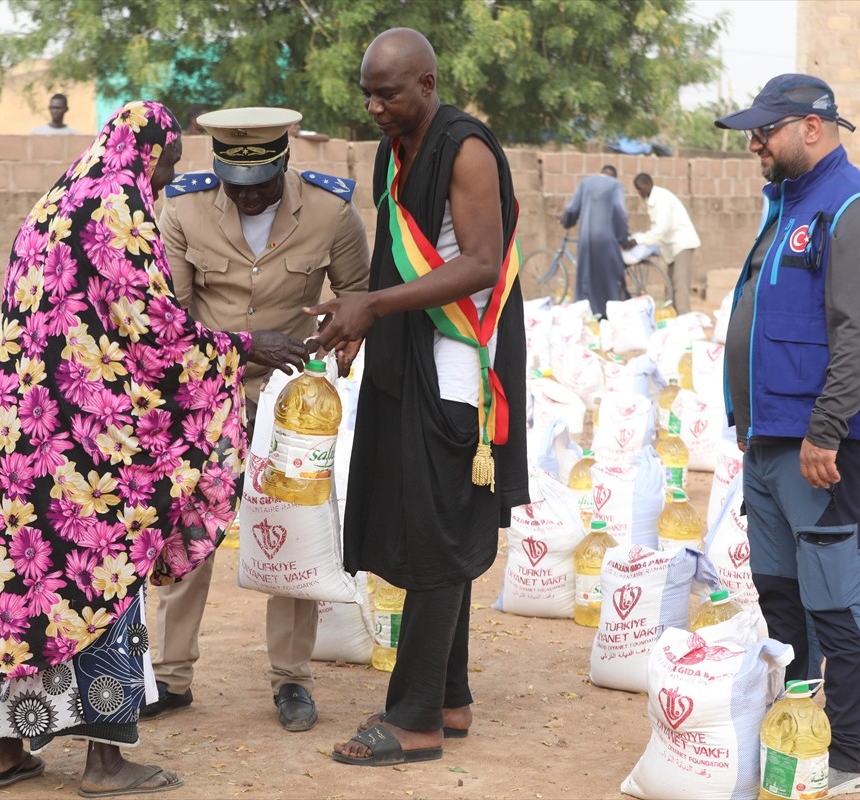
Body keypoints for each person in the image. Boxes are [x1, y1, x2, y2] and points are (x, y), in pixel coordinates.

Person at [0, 100, 309, 797]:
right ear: (147, 152)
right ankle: (104, 761)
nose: (167, 177)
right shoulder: (117, 207)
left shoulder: (52, 204)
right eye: (170, 163)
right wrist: (245, 347)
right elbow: (152, 332)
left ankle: (5, 747)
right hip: (92, 447)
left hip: (25, 442)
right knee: (102, 579)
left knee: (30, 593)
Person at [306, 28, 529, 767]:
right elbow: (400, 253)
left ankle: (414, 722)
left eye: (388, 92)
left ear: (427, 85)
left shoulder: (464, 147)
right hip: (408, 355)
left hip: (459, 361)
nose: (373, 106)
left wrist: (372, 307)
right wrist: (361, 317)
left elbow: (481, 262)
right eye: (367, 92)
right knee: (427, 515)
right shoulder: (393, 146)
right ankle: (450, 697)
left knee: (438, 528)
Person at [141, 106, 369, 732]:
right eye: (233, 186)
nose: (245, 197)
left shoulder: (330, 212)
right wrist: (239, 348)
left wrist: (336, 349)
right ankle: (169, 674)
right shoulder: (184, 210)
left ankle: (292, 681)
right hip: (206, 397)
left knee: (292, 536)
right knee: (188, 538)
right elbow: (172, 318)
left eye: (259, 185)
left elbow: (356, 301)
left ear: (284, 165)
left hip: (291, 404)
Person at [716, 74, 860, 798]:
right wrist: (747, 425)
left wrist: (825, 431)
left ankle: (851, 752)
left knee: (837, 594)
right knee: (780, 589)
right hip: (770, 440)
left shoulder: (853, 208)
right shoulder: (786, 206)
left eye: (766, 129)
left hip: (823, 444)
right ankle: (801, 721)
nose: (755, 142)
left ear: (813, 128)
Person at [560, 165, 630, 317]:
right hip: (607, 239)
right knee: (610, 276)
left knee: (586, 274)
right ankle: (610, 313)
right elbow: (619, 210)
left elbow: (572, 208)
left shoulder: (586, 183)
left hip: (586, 239)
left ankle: (588, 313)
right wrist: (622, 237)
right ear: (614, 176)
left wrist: (566, 221)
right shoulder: (615, 185)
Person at [628, 173, 701, 314]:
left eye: (640, 189)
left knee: (680, 286)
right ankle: (674, 319)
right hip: (672, 248)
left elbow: (661, 229)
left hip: (682, 244)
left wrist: (637, 241)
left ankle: (684, 319)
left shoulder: (661, 199)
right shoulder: (653, 200)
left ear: (648, 185)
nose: (639, 193)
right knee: (670, 286)